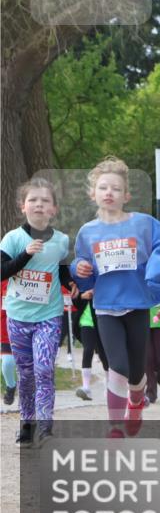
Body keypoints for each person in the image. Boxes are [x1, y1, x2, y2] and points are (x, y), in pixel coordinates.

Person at [71, 159, 160, 438]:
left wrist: (156, 268)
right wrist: (79, 269)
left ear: (126, 195)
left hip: (138, 304)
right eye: (103, 187)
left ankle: (136, 402)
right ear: (92, 193)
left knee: (136, 372)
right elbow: (82, 263)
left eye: (116, 188)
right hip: (105, 306)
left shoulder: (143, 224)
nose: (109, 192)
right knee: (116, 365)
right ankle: (115, 426)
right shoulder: (87, 231)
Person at [2, 178, 76, 443]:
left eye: (45, 201)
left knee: (44, 369)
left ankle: (45, 428)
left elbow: (64, 270)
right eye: (33, 200)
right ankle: (27, 424)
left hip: (49, 316)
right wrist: (25, 255)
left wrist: (72, 284)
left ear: (53, 209)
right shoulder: (13, 238)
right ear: (23, 206)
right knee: (26, 373)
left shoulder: (61, 240)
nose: (39, 205)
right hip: (18, 316)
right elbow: (2, 272)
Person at [74, 289, 109, 400]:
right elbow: (75, 299)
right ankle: (86, 387)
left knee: (104, 355)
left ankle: (109, 385)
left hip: (102, 320)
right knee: (88, 350)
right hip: (86, 321)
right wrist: (81, 296)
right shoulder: (82, 279)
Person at [1, 280, 17, 406]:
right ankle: (11, 386)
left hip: (30, 324)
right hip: (6, 326)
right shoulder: (3, 279)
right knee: (7, 363)